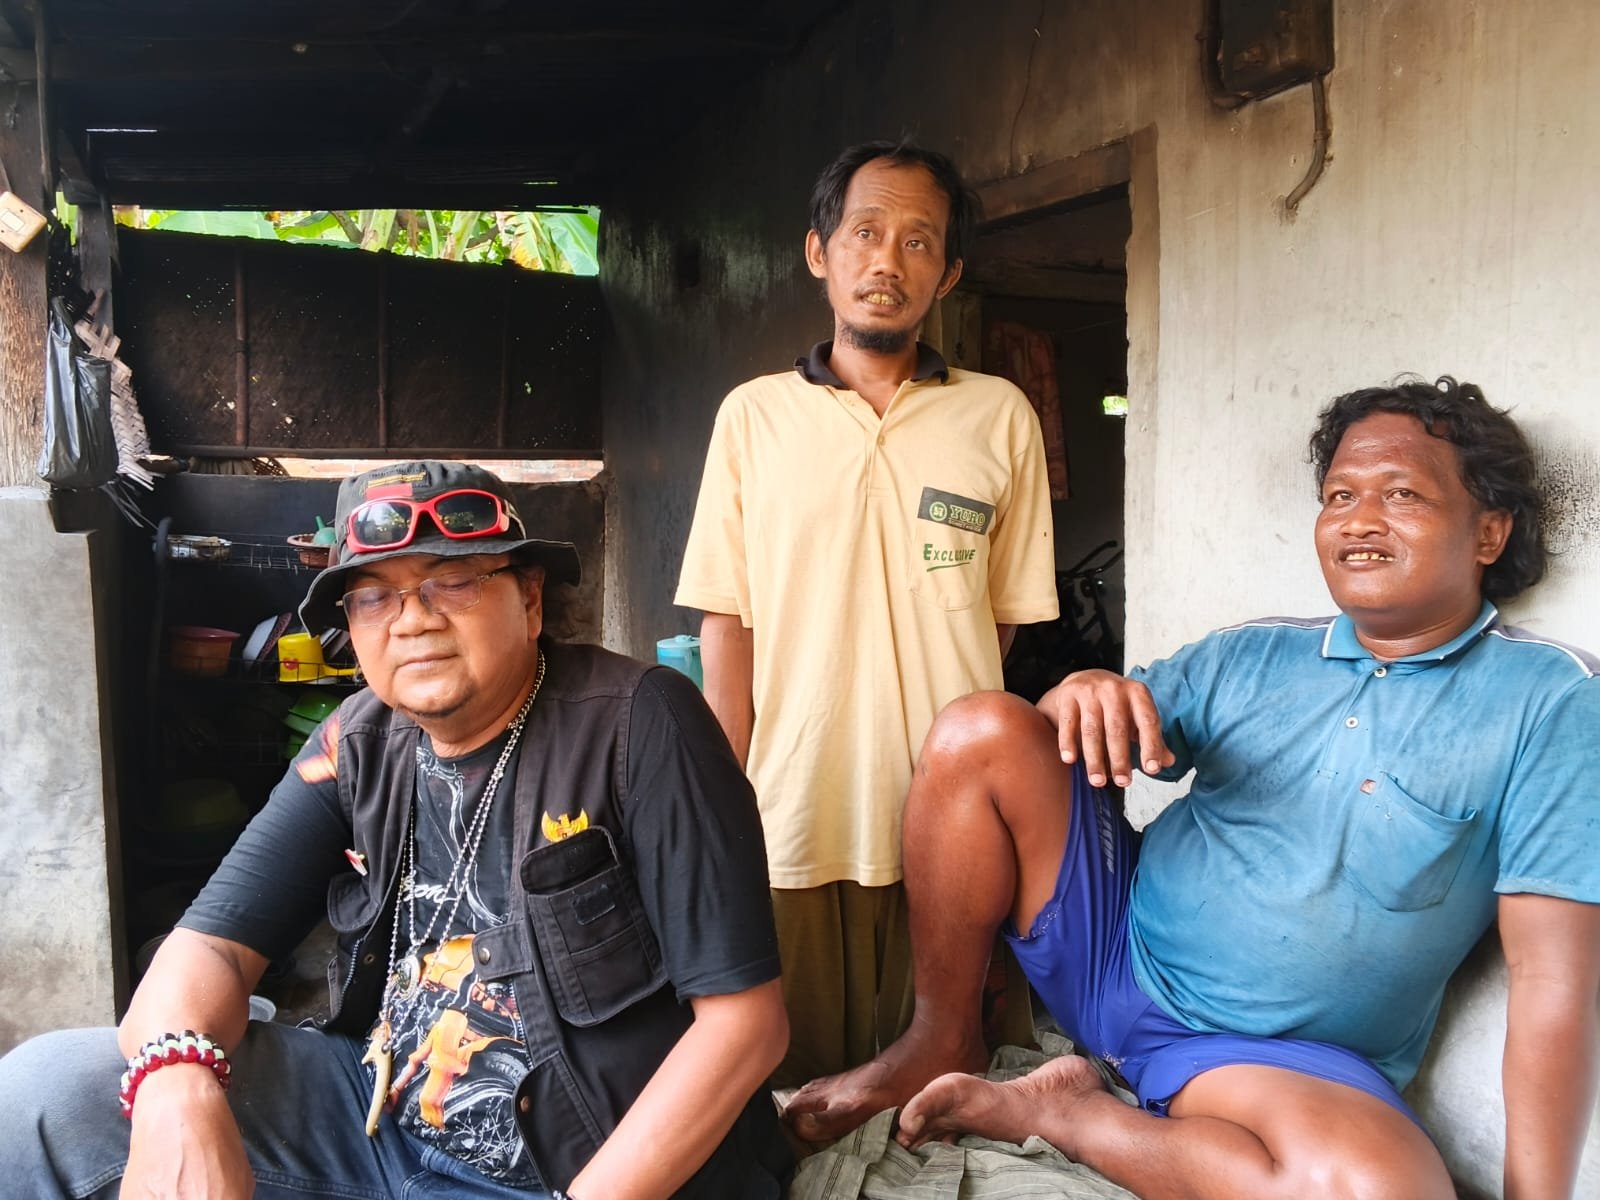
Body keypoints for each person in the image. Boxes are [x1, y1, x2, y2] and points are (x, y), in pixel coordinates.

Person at [783, 377, 1600, 1199]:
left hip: (1266, 1062)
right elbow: (1080, 733)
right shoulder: (1255, 653)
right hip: (1109, 948)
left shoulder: (1551, 701)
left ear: (1489, 531)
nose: (1359, 520)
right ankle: (941, 1037)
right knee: (981, 731)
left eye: (1402, 494)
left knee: (1384, 1190)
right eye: (1340, 495)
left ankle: (1069, 1113)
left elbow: (1552, 978)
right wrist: (1079, 690)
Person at [0, 461, 792, 1199]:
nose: (412, 619)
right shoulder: (357, 741)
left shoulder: (638, 721)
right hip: (380, 1119)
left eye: (454, 580)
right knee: (43, 1092)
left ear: (531, 600)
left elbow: (744, 1027)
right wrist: (179, 1085)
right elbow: (210, 947)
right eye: (374, 596)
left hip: (570, 1162)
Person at [675, 141, 1060, 1087]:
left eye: (919, 241)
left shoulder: (999, 416)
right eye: (865, 233)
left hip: (949, 820)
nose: (888, 260)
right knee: (788, 1088)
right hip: (794, 806)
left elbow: (1000, 620)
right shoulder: (753, 418)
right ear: (821, 252)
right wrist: (726, 802)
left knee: (939, 1085)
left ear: (949, 273)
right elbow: (727, 621)